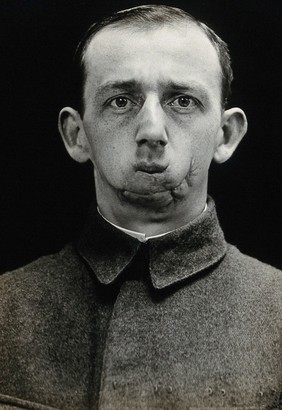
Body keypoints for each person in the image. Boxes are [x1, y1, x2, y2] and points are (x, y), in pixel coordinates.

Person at [0, 4, 281, 410]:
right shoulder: (8, 309)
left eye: (182, 101)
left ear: (226, 135)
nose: (151, 130)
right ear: (77, 135)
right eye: (120, 101)